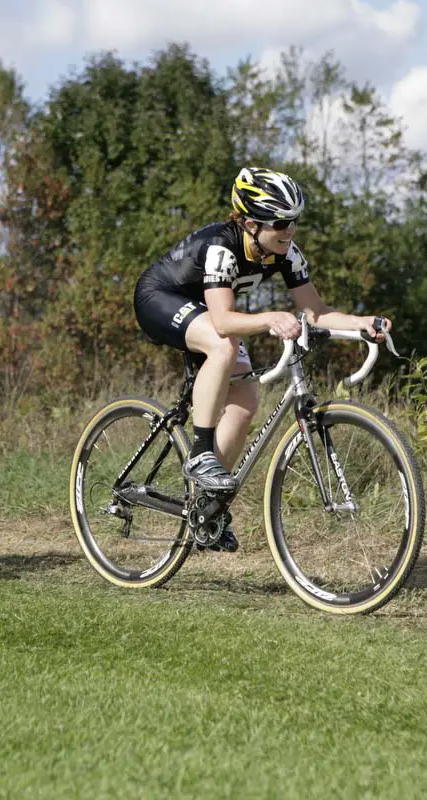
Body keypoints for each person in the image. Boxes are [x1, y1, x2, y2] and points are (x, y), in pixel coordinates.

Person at [133, 167, 390, 552]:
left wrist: (363, 323)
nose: (290, 231)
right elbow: (221, 320)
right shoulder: (223, 245)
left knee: (247, 399)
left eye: (294, 222)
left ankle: (207, 503)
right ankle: (201, 455)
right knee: (223, 344)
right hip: (159, 298)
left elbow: (315, 311)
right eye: (281, 223)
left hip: (205, 311)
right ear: (252, 224)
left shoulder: (286, 253)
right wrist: (270, 318)